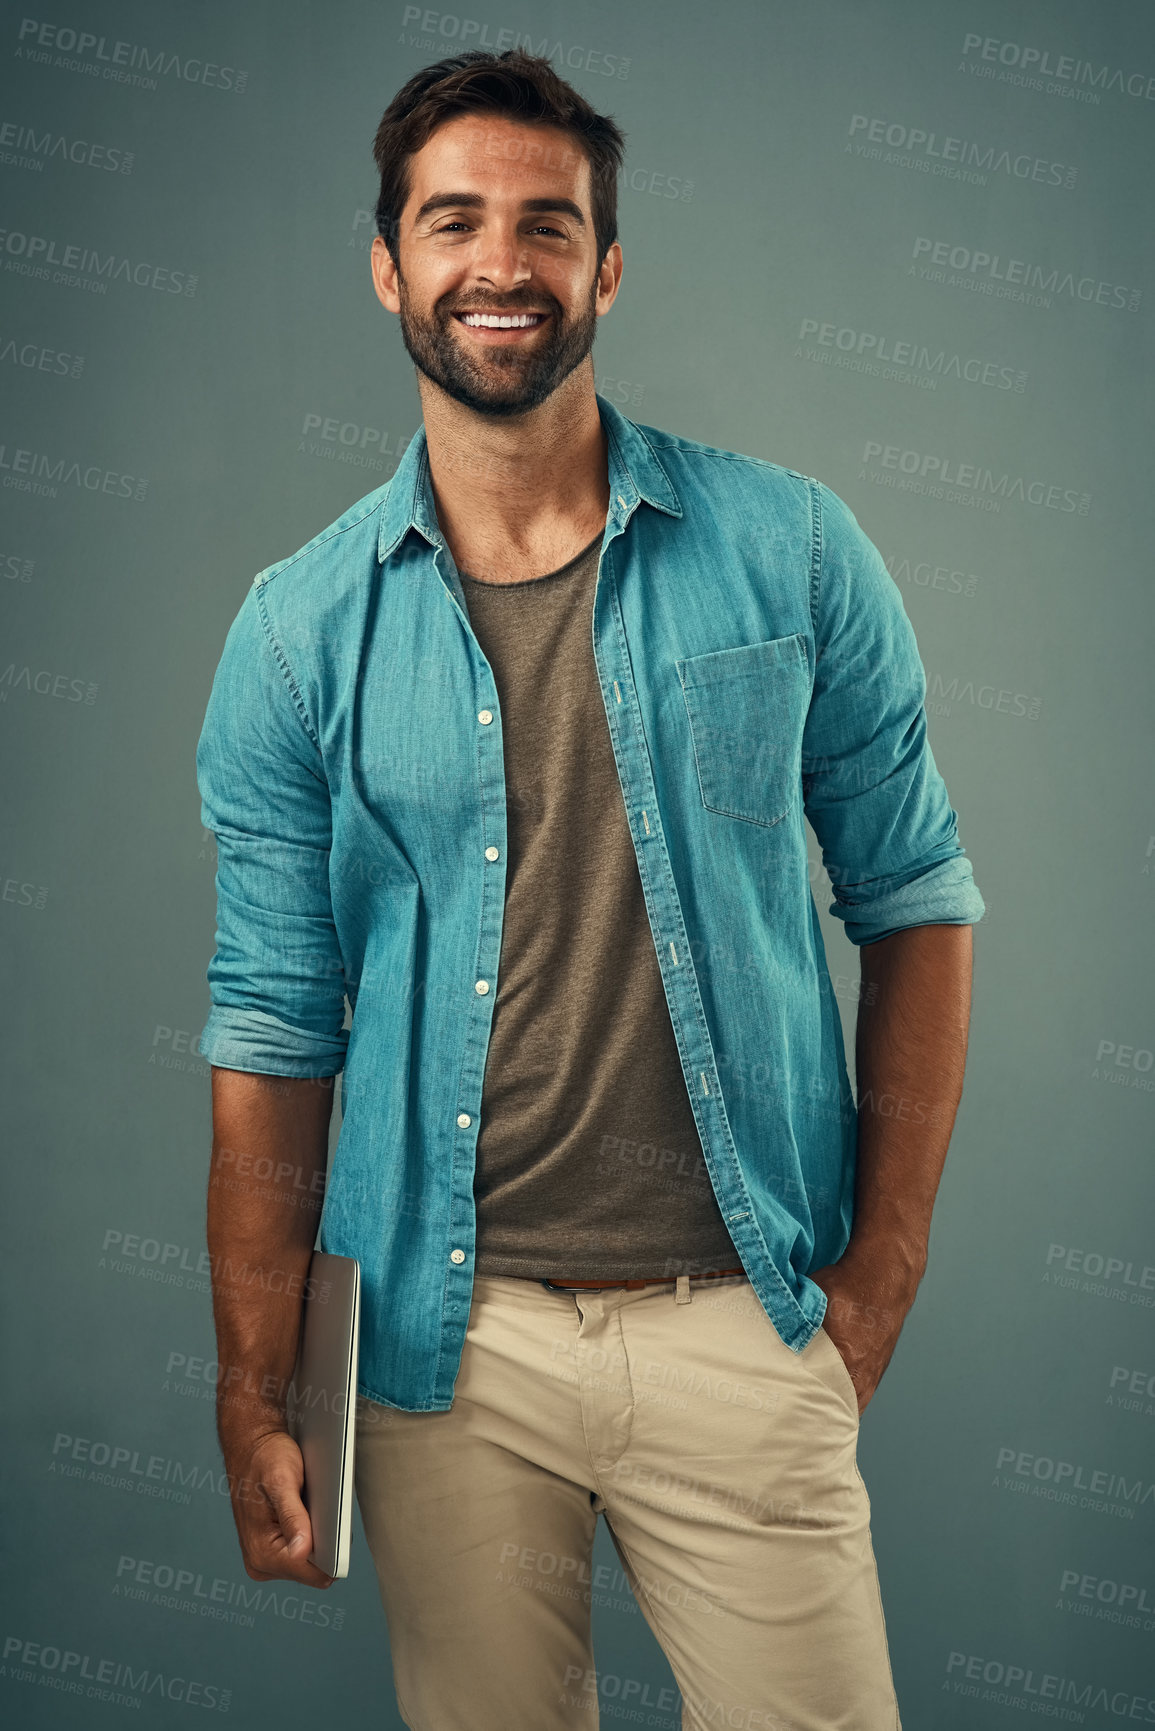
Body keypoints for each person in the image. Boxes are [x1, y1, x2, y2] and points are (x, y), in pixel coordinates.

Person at [196, 47, 984, 1731]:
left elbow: (916, 898)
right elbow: (272, 1029)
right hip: (442, 1358)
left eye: (548, 226)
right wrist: (255, 1382)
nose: (502, 265)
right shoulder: (294, 636)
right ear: (388, 263)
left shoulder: (796, 553)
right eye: (453, 221)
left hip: (745, 1321)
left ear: (606, 268)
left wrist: (882, 1280)